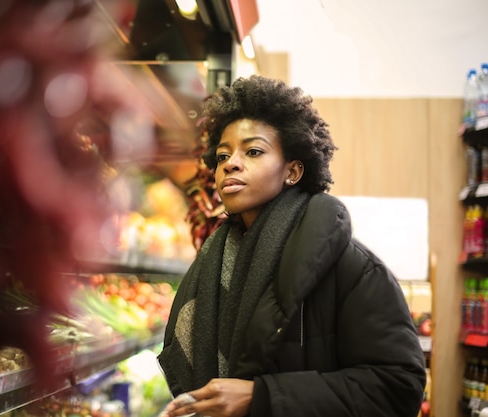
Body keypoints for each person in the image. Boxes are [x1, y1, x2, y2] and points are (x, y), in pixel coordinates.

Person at [157, 75, 426, 417]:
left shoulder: (352, 268)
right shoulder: (214, 259)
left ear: (293, 171)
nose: (231, 164)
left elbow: (398, 386)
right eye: (223, 156)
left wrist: (262, 398)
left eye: (253, 151)